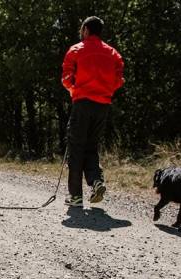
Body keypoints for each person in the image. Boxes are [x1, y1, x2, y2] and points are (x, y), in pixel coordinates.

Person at [61, 16, 125, 206]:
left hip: (82, 102)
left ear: (86, 30)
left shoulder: (76, 49)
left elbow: (66, 77)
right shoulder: (113, 54)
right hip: (103, 105)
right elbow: (119, 80)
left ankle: (75, 196)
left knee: (76, 147)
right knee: (91, 146)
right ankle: (96, 180)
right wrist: (106, 92)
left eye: (82, 30)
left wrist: (74, 90)